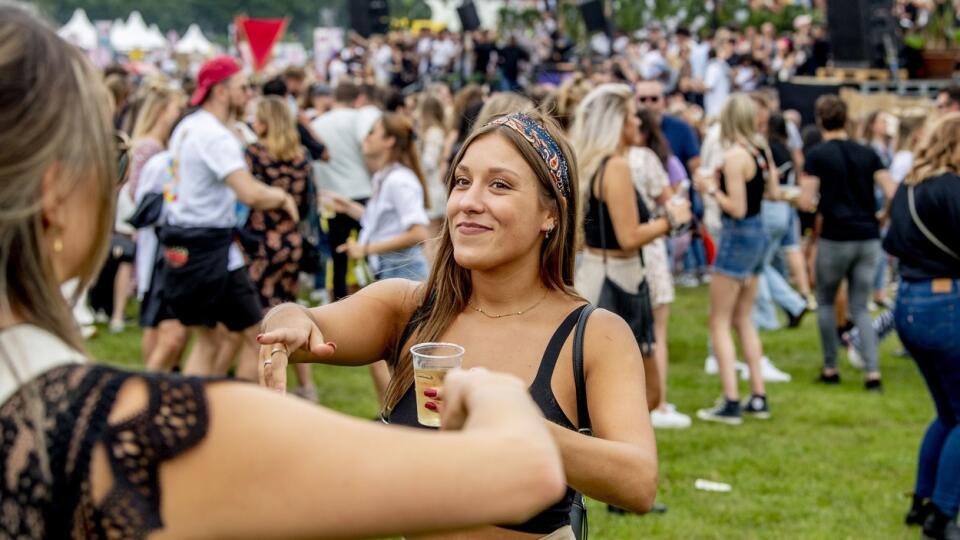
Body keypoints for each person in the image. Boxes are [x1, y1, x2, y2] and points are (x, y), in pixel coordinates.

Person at [0, 6, 570, 538]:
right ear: (53, 193)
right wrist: (487, 392)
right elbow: (523, 471)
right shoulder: (117, 425)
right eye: (111, 157)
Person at [258, 110, 659, 538]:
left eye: (499, 185)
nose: (468, 200)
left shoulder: (594, 334)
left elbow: (638, 483)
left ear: (551, 215)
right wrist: (288, 321)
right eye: (462, 181)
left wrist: (517, 426)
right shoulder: (408, 307)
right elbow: (300, 320)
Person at [161, 55, 300, 381]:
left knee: (220, 337)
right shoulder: (214, 135)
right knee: (251, 338)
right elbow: (248, 192)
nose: (249, 93)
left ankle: (206, 410)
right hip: (208, 247)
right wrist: (282, 197)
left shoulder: (188, 126)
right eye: (242, 87)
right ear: (220, 91)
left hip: (192, 244)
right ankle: (229, 414)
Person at [570, 84, 692, 412]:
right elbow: (629, 236)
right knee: (638, 393)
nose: (638, 124)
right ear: (616, 122)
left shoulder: (590, 164)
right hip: (619, 279)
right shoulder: (615, 167)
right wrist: (672, 219)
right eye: (631, 117)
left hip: (594, 274)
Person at [884, 113, 960, 540]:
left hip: (910, 300)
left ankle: (923, 500)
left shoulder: (908, 187)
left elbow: (891, 243)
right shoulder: (951, 188)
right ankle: (943, 514)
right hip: (946, 300)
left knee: (948, 412)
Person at [693, 94, 782, 425]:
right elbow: (773, 193)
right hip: (759, 235)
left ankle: (731, 399)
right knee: (744, 319)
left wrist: (710, 189)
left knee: (719, 321)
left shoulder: (734, 156)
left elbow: (737, 207)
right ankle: (758, 395)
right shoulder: (761, 152)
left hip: (738, 235)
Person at [799, 95, 896, 390]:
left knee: (827, 302)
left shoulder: (817, 155)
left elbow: (805, 200)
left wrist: (817, 208)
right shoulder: (867, 153)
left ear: (819, 120)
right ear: (847, 120)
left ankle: (831, 367)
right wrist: (882, 216)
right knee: (861, 307)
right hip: (867, 236)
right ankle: (872, 372)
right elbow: (892, 190)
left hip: (835, 236)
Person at [632, 108, 691, 429]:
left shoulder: (591, 157)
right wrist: (677, 212)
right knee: (656, 334)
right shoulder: (643, 159)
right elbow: (673, 207)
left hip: (608, 259)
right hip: (648, 248)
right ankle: (659, 403)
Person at [332, 113, 431, 282]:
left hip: (403, 270)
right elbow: (388, 223)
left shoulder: (398, 180)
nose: (366, 137)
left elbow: (418, 234)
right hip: (394, 268)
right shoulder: (385, 176)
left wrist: (366, 249)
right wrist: (349, 207)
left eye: (372, 132)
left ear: (389, 140)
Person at [310, 81, 382, 300]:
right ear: (358, 98)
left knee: (338, 257)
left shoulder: (317, 123)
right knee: (371, 252)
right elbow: (369, 152)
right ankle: (378, 298)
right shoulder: (359, 119)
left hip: (331, 198)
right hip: (362, 192)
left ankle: (340, 304)